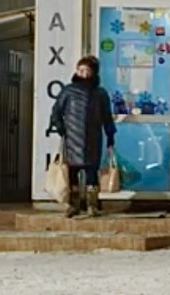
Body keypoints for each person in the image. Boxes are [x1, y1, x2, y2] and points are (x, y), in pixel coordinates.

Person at [48, 55, 116, 217]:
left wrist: (110, 134)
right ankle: (74, 205)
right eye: (80, 70)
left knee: (92, 172)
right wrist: (61, 128)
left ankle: (92, 205)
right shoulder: (68, 91)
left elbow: (107, 116)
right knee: (72, 172)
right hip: (72, 138)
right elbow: (56, 112)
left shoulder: (100, 93)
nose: (83, 73)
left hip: (92, 138)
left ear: (94, 72)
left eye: (87, 70)